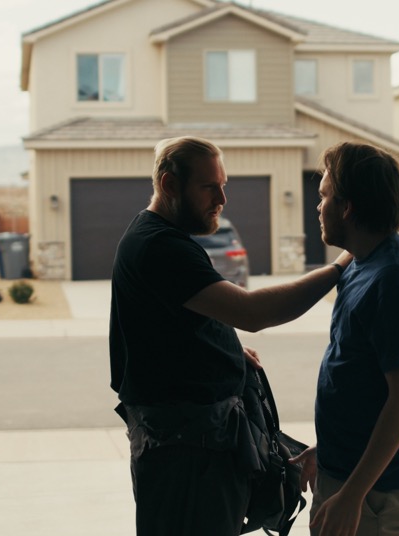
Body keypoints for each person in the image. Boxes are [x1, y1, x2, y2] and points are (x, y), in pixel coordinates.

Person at [109, 136, 351, 535]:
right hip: (185, 456)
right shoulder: (159, 247)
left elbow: (176, 322)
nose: (222, 197)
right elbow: (253, 312)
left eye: (224, 184)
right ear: (170, 185)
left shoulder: (158, 235)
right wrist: (340, 266)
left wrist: (226, 348)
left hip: (195, 451)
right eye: (209, 187)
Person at [289, 142, 399, 536]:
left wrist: (353, 494)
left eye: (324, 197)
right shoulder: (361, 265)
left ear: (348, 207)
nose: (318, 207)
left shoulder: (393, 279)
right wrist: (329, 450)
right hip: (349, 475)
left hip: (373, 494)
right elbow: (362, 381)